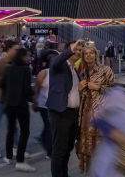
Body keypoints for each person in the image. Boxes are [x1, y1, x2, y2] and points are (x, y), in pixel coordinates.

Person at [76, 44, 115, 173]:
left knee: (101, 144)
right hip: (86, 112)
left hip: (101, 112)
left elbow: (114, 90)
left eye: (91, 53)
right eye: (86, 53)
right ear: (83, 56)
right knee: (87, 145)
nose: (88, 55)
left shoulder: (105, 70)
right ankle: (91, 172)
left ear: (96, 55)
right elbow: (80, 95)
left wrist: (98, 87)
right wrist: (80, 89)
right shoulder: (82, 72)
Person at [47, 39, 83, 177]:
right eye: (76, 50)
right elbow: (56, 61)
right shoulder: (59, 65)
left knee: (67, 149)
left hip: (73, 114)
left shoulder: (74, 71)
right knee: (59, 150)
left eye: (80, 50)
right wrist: (71, 49)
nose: (78, 52)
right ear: (68, 51)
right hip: (61, 113)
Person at [0, 47, 35, 172]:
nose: (28, 57)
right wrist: (34, 95)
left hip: (9, 103)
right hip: (21, 104)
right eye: (27, 56)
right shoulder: (25, 69)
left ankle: (8, 156)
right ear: (22, 57)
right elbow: (27, 89)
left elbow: (2, 84)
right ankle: (20, 160)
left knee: (10, 130)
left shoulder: (8, 68)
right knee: (25, 132)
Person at [34, 64, 52, 159]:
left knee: (48, 126)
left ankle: (42, 138)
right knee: (49, 127)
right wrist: (35, 101)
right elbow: (37, 88)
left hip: (53, 105)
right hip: (43, 105)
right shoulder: (44, 72)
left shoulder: (60, 72)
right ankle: (50, 151)